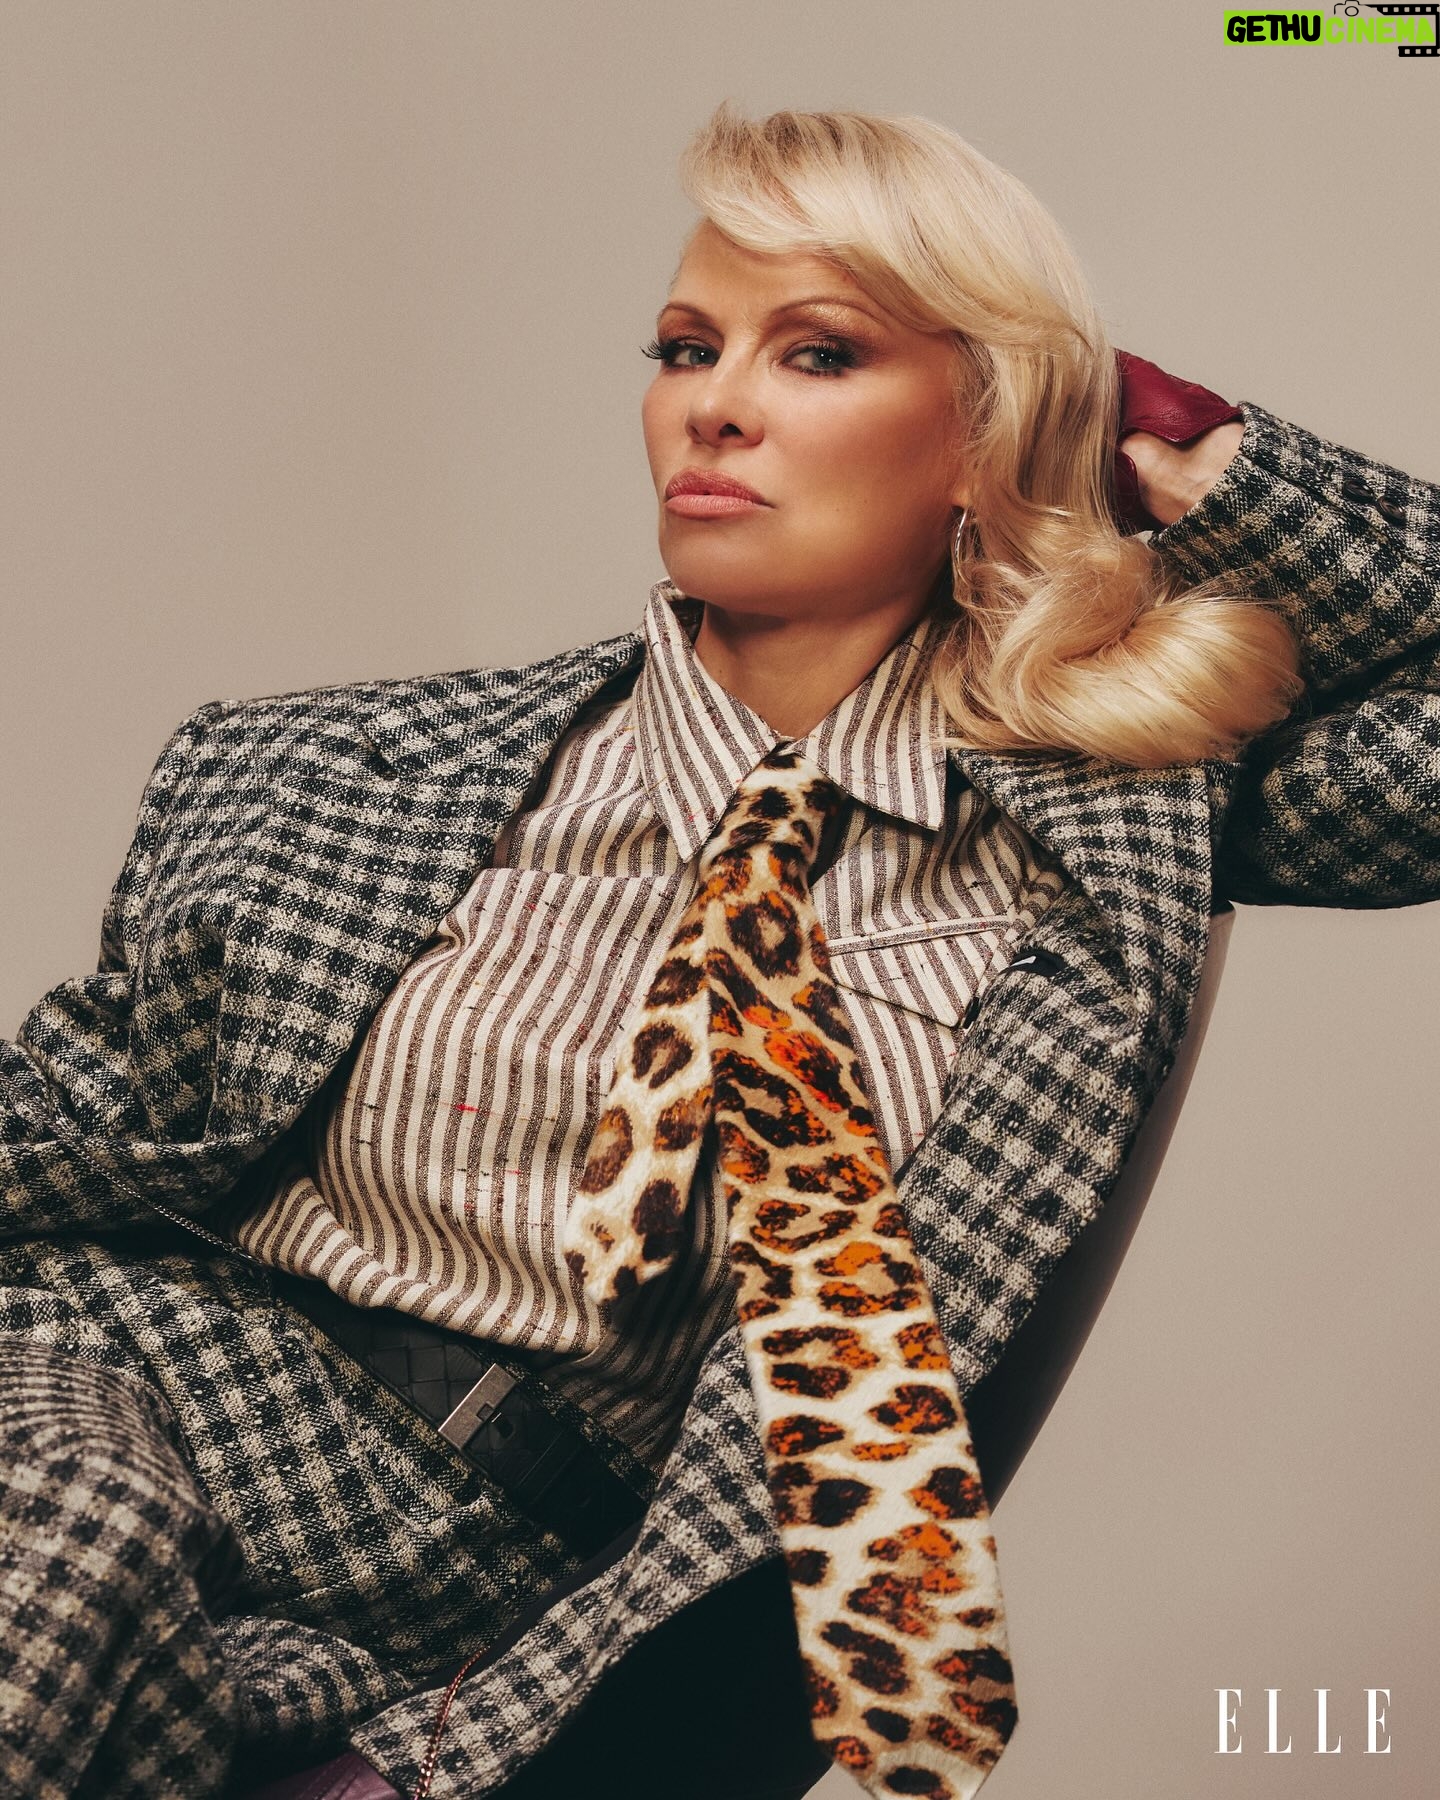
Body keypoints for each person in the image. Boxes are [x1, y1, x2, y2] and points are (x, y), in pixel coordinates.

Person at [0, 102, 1435, 1800]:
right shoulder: (321, 768)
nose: (716, 403)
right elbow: (57, 1134)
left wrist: (1183, 450)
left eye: (818, 353)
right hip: (106, 1390)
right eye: (687, 348)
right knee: (77, 1548)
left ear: (983, 431)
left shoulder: (1110, 847)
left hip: (475, 1585)